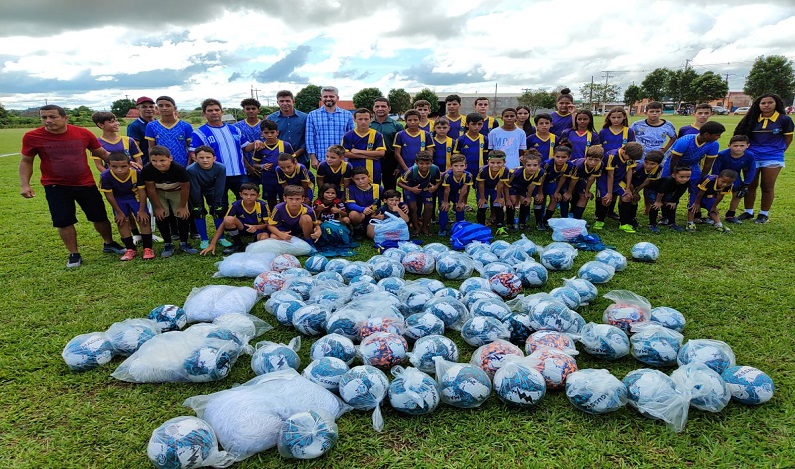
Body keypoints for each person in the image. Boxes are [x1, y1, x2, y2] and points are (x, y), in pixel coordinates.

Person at [20, 104, 126, 267]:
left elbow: (103, 153)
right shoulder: (32, 136)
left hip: (85, 183)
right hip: (55, 185)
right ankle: (74, 253)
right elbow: (27, 161)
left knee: (99, 216)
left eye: (53, 117)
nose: (48, 121)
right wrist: (25, 184)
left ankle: (109, 243)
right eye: (44, 117)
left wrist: (126, 165)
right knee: (63, 220)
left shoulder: (82, 133)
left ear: (65, 118)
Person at [733, 93, 794, 224]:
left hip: (773, 157)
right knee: (750, 184)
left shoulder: (784, 119)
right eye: (763, 103)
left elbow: (788, 138)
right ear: (758, 105)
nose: (766, 105)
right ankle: (748, 211)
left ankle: (763, 214)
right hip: (751, 156)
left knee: (767, 186)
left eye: (769, 102)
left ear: (776, 103)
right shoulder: (752, 118)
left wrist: (779, 150)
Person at [189, 99, 259, 205]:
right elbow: (193, 154)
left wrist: (255, 143)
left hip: (239, 173)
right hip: (216, 176)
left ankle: (243, 222)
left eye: (217, 110)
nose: (214, 112)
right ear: (204, 114)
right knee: (220, 206)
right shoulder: (199, 133)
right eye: (210, 110)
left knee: (246, 204)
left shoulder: (234, 129)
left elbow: (246, 147)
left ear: (222, 112)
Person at [141, 145, 197, 257]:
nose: (158, 164)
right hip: (159, 192)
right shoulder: (147, 169)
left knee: (182, 215)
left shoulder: (179, 169)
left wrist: (182, 206)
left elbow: (185, 187)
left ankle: (184, 242)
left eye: (162, 160)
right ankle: (168, 243)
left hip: (177, 191)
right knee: (161, 215)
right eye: (154, 161)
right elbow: (150, 188)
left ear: (170, 158)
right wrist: (157, 207)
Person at [98, 152, 154, 260]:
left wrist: (142, 210)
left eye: (123, 166)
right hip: (119, 200)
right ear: (108, 165)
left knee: (144, 220)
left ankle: (147, 248)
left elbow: (142, 192)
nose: (119, 170)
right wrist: (118, 212)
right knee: (122, 221)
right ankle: (130, 249)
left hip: (135, 198)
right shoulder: (105, 176)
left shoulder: (137, 173)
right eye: (114, 166)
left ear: (129, 164)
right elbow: (109, 196)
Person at [662, 121, 725, 209]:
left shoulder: (714, 144)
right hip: (673, 164)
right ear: (707, 134)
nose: (719, 137)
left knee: (696, 186)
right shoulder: (685, 141)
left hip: (692, 164)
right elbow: (673, 160)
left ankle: (693, 211)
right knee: (668, 185)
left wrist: (702, 178)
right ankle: (666, 212)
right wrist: (673, 175)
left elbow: (708, 163)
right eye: (717, 135)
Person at [201, 183, 271, 255]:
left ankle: (253, 245)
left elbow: (267, 225)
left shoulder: (263, 205)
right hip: (242, 227)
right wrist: (213, 243)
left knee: (264, 238)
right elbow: (224, 222)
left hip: (258, 228)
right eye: (245, 194)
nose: (249, 197)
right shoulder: (236, 205)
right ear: (240, 194)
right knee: (228, 219)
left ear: (258, 196)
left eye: (252, 195)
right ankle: (238, 244)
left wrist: (256, 227)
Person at [187, 145, 230, 250]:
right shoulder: (191, 170)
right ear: (196, 158)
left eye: (208, 157)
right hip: (197, 190)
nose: (205, 160)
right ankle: (204, 239)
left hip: (213, 190)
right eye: (201, 158)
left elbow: (220, 186)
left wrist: (217, 202)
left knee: (218, 211)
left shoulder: (221, 168)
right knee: (198, 212)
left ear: (214, 158)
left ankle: (221, 237)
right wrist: (197, 204)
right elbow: (195, 189)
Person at [593, 142, 643, 232]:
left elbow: (629, 172)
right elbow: (610, 175)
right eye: (630, 157)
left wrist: (628, 188)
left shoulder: (631, 156)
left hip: (618, 181)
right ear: (624, 151)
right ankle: (600, 220)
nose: (631, 159)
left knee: (627, 197)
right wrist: (609, 192)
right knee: (606, 199)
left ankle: (624, 223)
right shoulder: (612, 156)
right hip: (605, 181)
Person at [306, 86, 354, 169]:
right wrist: (313, 158)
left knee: (344, 182)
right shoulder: (313, 115)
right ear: (321, 98)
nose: (328, 99)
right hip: (322, 159)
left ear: (337, 98)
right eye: (325, 96)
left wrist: (348, 156)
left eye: (331, 96)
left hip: (342, 159)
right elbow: (310, 138)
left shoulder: (347, 115)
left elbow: (352, 137)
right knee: (323, 182)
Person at [712, 135, 757, 224]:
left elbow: (752, 169)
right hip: (722, 177)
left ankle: (730, 215)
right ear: (729, 146)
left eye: (742, 146)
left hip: (735, 177)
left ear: (747, 145)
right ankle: (712, 211)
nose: (738, 148)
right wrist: (716, 180)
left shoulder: (750, 155)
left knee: (738, 194)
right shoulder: (722, 154)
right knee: (719, 195)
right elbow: (716, 168)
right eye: (735, 146)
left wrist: (746, 184)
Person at [252, 119, 295, 209]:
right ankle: (273, 218)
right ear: (262, 134)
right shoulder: (260, 147)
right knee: (271, 200)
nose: (269, 135)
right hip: (268, 179)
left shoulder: (285, 145)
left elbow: (294, 161)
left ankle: (285, 217)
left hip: (284, 178)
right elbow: (255, 164)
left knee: (285, 199)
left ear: (277, 132)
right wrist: (262, 166)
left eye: (272, 132)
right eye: (266, 133)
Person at [397, 151, 441, 236]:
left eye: (427, 163)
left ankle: (424, 227)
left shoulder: (435, 169)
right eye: (421, 163)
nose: (424, 166)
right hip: (411, 189)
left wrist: (435, 187)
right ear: (416, 162)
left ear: (432, 162)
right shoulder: (411, 171)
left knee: (429, 207)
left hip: (425, 189)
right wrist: (411, 189)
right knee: (413, 207)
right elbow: (399, 183)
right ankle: (416, 227)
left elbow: (439, 181)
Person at [145, 96, 194, 167]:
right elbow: (151, 147)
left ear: (174, 108)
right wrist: (153, 164)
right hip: (161, 165)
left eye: (168, 105)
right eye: (160, 106)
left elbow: (190, 148)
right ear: (156, 108)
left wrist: (188, 165)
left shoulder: (185, 126)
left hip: (181, 164)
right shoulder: (151, 126)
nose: (164, 108)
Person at [342, 108, 386, 185]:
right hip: (354, 170)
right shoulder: (348, 136)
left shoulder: (377, 135)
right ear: (354, 119)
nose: (363, 122)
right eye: (360, 119)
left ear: (371, 119)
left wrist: (358, 151)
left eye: (366, 119)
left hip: (373, 170)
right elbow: (345, 153)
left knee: (373, 192)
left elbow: (381, 153)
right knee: (355, 193)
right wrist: (369, 156)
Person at [370, 97, 404, 190]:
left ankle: (390, 204)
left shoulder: (397, 125)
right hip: (372, 159)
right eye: (377, 106)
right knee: (372, 186)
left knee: (390, 187)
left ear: (389, 108)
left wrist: (399, 166)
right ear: (373, 108)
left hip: (391, 160)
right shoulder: (369, 125)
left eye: (383, 106)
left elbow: (402, 147)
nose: (380, 109)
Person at [647, 165, 692, 233]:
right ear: (674, 175)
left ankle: (672, 223)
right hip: (654, 190)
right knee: (655, 206)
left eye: (688, 177)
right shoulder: (668, 180)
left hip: (667, 192)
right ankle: (652, 224)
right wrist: (658, 201)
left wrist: (673, 201)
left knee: (672, 204)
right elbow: (661, 191)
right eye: (682, 177)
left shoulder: (686, 182)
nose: (685, 179)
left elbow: (680, 192)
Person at [267, 90, 308, 165]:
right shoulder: (271, 118)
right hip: (279, 159)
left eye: (287, 101)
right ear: (277, 102)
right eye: (281, 101)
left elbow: (308, 138)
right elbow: (268, 137)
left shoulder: (305, 118)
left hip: (301, 159)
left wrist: (296, 154)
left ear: (293, 101)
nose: (285, 103)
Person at [507, 149, 545, 230]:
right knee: (512, 201)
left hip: (523, 187)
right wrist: (507, 199)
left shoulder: (540, 172)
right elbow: (507, 185)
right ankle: (509, 223)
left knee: (525, 202)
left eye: (535, 165)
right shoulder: (515, 172)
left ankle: (522, 223)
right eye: (529, 165)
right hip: (512, 187)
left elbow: (532, 185)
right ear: (524, 165)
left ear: (539, 165)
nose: (532, 168)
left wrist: (528, 197)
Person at [563, 145, 603, 220]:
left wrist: (587, 191)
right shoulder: (578, 165)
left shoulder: (600, 165)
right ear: (586, 157)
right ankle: (565, 216)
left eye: (596, 160)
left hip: (580, 179)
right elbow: (573, 180)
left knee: (584, 196)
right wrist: (569, 192)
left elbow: (591, 179)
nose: (593, 162)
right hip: (567, 178)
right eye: (590, 159)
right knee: (566, 196)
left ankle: (577, 217)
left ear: (601, 159)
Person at [438, 154, 473, 236]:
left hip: (455, 192)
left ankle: (459, 227)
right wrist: (445, 201)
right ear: (451, 166)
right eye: (456, 166)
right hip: (443, 192)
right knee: (444, 208)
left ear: (466, 166)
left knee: (460, 207)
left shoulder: (468, 175)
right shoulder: (447, 175)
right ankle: (442, 228)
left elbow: (464, 189)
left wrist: (460, 202)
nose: (459, 168)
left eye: (462, 165)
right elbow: (447, 190)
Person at [628, 149, 664, 229]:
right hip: (628, 184)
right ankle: (627, 218)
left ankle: (634, 216)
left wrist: (636, 192)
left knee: (637, 198)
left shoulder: (659, 169)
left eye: (652, 164)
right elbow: (629, 181)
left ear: (658, 164)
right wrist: (633, 192)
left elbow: (646, 182)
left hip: (641, 185)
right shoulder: (638, 167)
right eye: (646, 162)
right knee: (629, 198)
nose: (648, 166)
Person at [476, 150, 510, 229]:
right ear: (488, 162)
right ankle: (481, 225)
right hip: (483, 188)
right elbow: (481, 184)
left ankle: (500, 226)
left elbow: (500, 184)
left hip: (494, 188)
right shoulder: (483, 170)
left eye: (499, 163)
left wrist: (498, 197)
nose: (495, 165)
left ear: (504, 162)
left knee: (499, 205)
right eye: (492, 163)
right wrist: (482, 197)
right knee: (482, 205)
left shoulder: (505, 170)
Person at [541, 143, 574, 223]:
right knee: (540, 198)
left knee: (555, 198)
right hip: (540, 182)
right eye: (557, 157)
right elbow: (541, 179)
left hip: (552, 182)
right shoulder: (547, 164)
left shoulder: (569, 165)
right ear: (553, 155)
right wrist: (540, 192)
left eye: (563, 157)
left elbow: (563, 178)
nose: (560, 159)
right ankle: (539, 220)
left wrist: (557, 191)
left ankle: (546, 220)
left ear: (569, 157)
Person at [234, 98, 264, 185]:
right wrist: (248, 167)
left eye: (253, 108)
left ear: (258, 110)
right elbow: (237, 148)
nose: (251, 111)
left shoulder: (265, 124)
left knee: (270, 194)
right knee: (248, 193)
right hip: (245, 165)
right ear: (243, 110)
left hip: (265, 165)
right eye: (248, 109)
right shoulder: (236, 127)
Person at [127, 96, 156, 164]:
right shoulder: (134, 126)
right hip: (145, 162)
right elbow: (134, 148)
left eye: (151, 107)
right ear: (138, 108)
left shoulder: (158, 124)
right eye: (144, 107)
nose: (148, 109)